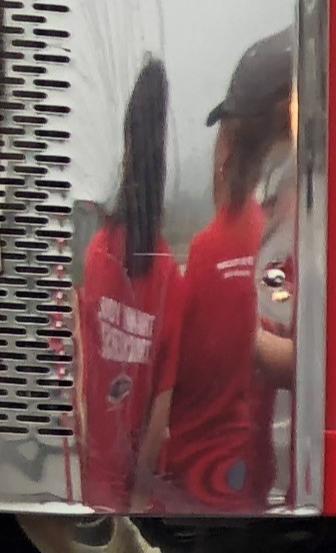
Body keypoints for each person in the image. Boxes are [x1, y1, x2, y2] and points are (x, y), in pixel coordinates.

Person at [157, 33, 295, 513]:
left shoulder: (213, 246)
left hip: (194, 483)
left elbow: (171, 371)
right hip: (249, 481)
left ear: (230, 146)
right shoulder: (277, 238)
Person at [75, 59, 179, 510]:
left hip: (89, 482)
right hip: (126, 493)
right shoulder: (168, 272)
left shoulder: (98, 252)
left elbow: (79, 371)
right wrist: (138, 495)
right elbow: (160, 406)